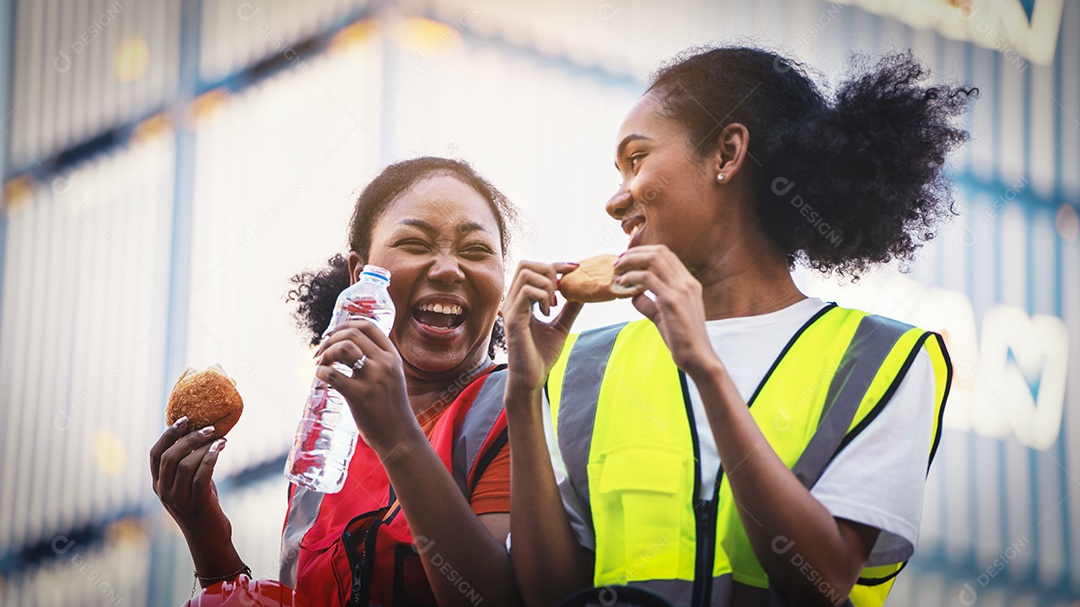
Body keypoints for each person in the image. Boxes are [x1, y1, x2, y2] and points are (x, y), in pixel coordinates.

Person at [503, 47, 974, 607]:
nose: (615, 201)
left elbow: (821, 579)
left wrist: (705, 366)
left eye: (638, 159)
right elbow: (546, 596)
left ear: (726, 153)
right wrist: (524, 397)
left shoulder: (885, 358)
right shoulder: (580, 369)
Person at [151, 157, 523, 606]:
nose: (448, 269)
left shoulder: (514, 410)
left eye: (476, 250)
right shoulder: (326, 445)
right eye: (415, 243)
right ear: (358, 275)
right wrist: (208, 537)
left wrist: (399, 439)